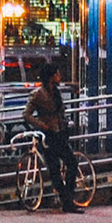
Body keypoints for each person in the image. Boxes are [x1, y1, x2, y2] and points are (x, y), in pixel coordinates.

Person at [23, 62, 80, 213]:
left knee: (71, 163)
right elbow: (26, 115)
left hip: (60, 132)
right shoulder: (37, 94)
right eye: (57, 73)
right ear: (51, 76)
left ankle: (67, 197)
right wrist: (41, 125)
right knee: (54, 169)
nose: (59, 76)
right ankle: (67, 200)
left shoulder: (56, 92)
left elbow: (60, 111)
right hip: (48, 135)